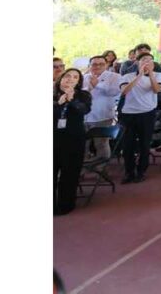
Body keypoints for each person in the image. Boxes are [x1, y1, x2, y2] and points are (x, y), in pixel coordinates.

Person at [118, 53, 161, 184]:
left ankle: (141, 171)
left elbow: (156, 90)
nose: (147, 62)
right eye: (144, 60)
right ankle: (129, 172)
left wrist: (151, 74)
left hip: (147, 113)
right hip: (128, 114)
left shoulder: (158, 76)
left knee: (144, 144)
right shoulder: (127, 76)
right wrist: (140, 75)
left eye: (150, 60)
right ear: (138, 62)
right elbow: (124, 91)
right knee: (128, 145)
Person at [54, 68, 92, 215]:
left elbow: (84, 110)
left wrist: (72, 100)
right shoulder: (52, 94)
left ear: (78, 82)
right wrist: (58, 104)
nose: (70, 79)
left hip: (73, 139)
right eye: (67, 76)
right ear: (61, 78)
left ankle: (66, 205)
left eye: (75, 77)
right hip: (53, 138)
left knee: (69, 173)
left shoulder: (83, 95)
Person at [82, 55, 120, 160]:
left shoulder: (115, 76)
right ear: (89, 65)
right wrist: (89, 87)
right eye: (94, 64)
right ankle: (83, 166)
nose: (97, 66)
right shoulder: (84, 77)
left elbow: (114, 92)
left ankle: (101, 167)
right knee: (83, 145)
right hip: (84, 117)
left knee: (101, 144)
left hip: (103, 116)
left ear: (106, 65)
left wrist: (98, 85)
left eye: (101, 64)